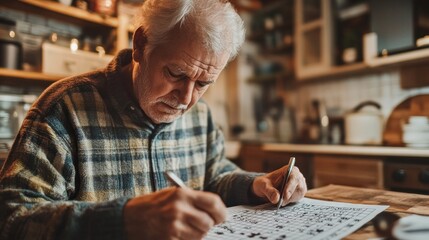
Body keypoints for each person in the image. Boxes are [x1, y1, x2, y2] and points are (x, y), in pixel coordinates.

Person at [0, 0, 307, 239]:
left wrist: (257, 183)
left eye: (203, 84)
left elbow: (212, 178)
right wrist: (123, 221)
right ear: (141, 46)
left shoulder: (199, 115)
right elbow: (12, 219)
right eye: (176, 74)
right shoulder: (65, 107)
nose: (186, 99)